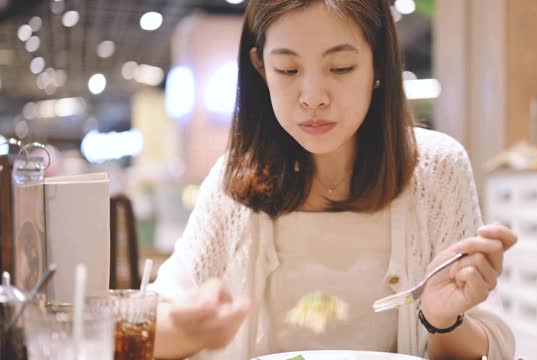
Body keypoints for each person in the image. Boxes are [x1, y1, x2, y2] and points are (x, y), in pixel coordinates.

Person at [150, 0, 517, 359]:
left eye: (340, 67)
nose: (313, 98)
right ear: (261, 68)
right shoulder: (233, 182)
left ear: (378, 64)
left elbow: (493, 345)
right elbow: (150, 329)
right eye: (287, 70)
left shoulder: (436, 169)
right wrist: (186, 330)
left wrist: (443, 319)